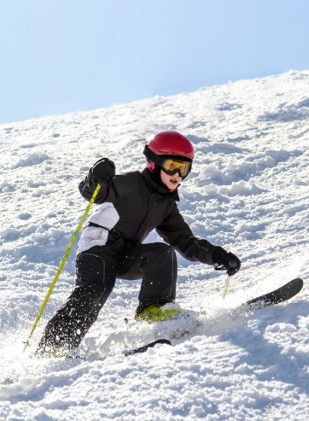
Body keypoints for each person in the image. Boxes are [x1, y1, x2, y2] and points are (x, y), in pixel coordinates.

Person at [36, 131, 241, 356]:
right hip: (99, 246)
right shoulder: (131, 183)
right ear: (154, 164)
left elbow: (186, 242)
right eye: (173, 165)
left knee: (162, 253)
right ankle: (54, 346)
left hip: (126, 254)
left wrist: (218, 255)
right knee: (97, 289)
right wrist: (95, 178)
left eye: (184, 169)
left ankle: (154, 312)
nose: (177, 175)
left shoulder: (166, 206)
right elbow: (95, 193)